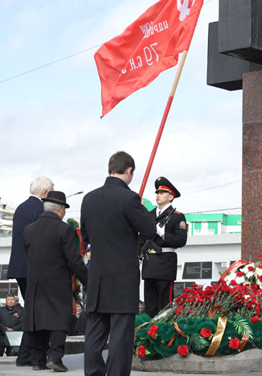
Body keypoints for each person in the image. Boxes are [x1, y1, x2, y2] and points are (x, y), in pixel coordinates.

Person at [81, 151, 155, 376]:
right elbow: (150, 230)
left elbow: (85, 236)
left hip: (98, 276)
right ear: (129, 171)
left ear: (109, 170)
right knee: (120, 338)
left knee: (94, 335)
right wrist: (140, 208)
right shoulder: (129, 198)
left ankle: (93, 373)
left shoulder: (89, 198)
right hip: (122, 278)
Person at [23, 191, 88, 372]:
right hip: (57, 282)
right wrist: (88, 280)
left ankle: (37, 360)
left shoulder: (28, 230)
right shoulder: (64, 229)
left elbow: (29, 252)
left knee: (37, 320)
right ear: (60, 209)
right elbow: (74, 260)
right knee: (59, 320)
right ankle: (55, 357)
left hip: (35, 284)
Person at [8, 175, 53, 366]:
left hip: (20, 267)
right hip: (35, 268)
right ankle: (28, 354)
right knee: (38, 313)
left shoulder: (21, 208)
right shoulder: (41, 209)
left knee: (32, 311)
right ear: (44, 193)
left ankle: (27, 354)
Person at [140, 177, 188, 317]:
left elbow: (181, 240)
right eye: (157, 193)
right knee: (150, 305)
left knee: (164, 306)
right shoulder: (149, 215)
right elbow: (141, 238)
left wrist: (163, 234)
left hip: (165, 263)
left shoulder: (177, 217)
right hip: (149, 263)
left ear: (171, 197)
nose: (158, 196)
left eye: (162, 193)